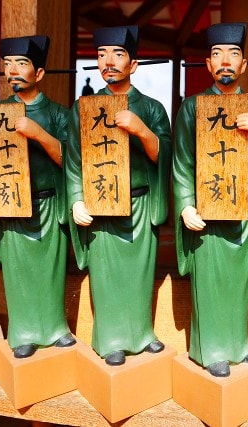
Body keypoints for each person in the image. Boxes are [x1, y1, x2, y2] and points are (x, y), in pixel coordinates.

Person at [173, 22, 248, 378]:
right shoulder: (192, 107)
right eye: (217, 54)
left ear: (244, 64)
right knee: (209, 281)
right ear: (208, 64)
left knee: (239, 282)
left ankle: (238, 343)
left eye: (233, 54)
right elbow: (182, 162)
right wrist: (186, 204)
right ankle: (210, 348)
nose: (225, 61)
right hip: (207, 209)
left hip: (244, 208)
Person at [67, 25, 171, 366]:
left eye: (118, 54)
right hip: (101, 201)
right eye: (101, 54)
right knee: (107, 274)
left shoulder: (152, 108)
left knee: (140, 274)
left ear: (134, 64)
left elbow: (165, 156)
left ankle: (141, 333)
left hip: (140, 202)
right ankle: (110, 338)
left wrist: (142, 130)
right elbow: (73, 159)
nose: (108, 61)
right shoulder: (84, 107)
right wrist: (76, 198)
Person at [0, 35, 75, 359]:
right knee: (18, 272)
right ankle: (22, 331)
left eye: (21, 63)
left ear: (40, 73)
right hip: (11, 201)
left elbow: (72, 160)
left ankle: (55, 327)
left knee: (51, 269)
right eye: (8, 64)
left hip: (49, 203)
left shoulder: (59, 114)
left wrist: (39, 134)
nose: (13, 70)